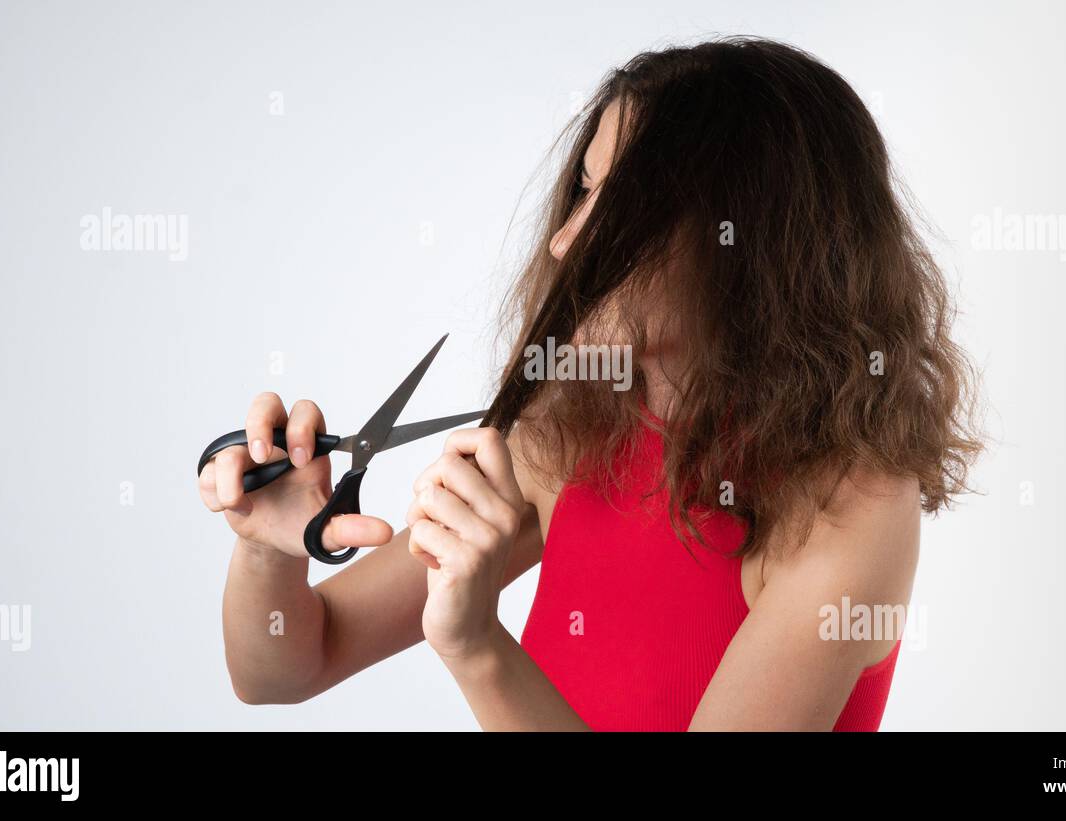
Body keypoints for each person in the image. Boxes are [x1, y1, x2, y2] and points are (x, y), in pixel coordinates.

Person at [197, 36, 982, 731]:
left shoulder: (852, 504)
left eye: (622, 202)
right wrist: (272, 546)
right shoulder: (567, 436)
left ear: (748, 235)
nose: (569, 238)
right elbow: (286, 670)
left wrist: (476, 646)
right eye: (582, 189)